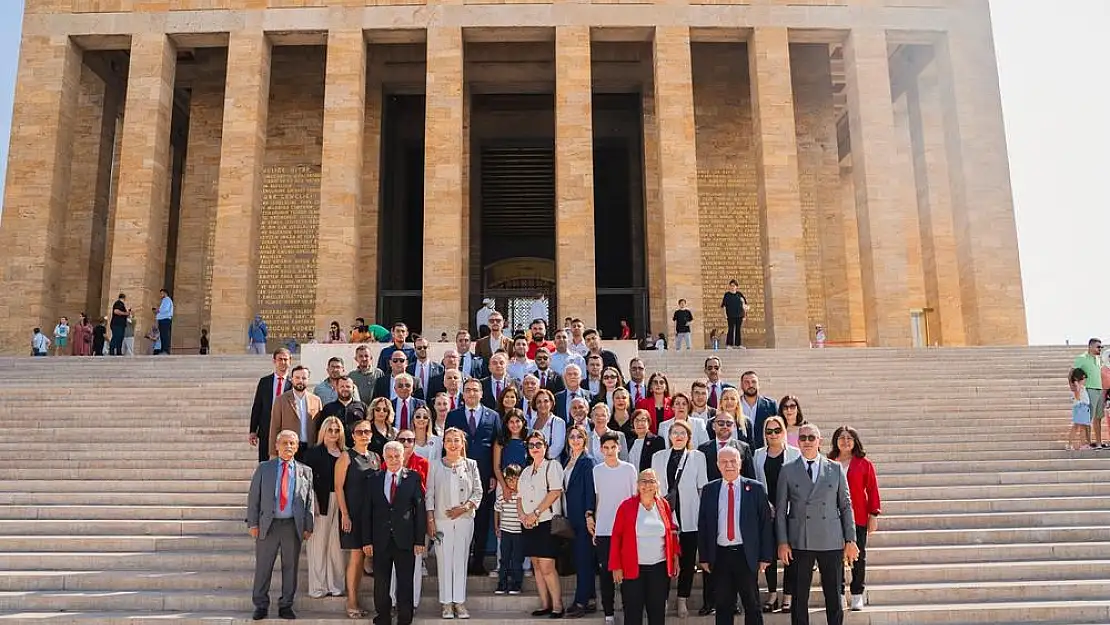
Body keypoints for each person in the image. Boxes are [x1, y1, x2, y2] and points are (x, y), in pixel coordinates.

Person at [776, 424, 858, 625]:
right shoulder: (787, 470)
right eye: (802, 438)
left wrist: (850, 539)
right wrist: (783, 542)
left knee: (833, 595)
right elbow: (780, 510)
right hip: (800, 540)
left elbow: (846, 506)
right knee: (799, 597)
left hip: (830, 539)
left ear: (819, 441)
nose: (806, 442)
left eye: (811, 438)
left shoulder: (835, 468)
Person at [697, 446, 774, 625]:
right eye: (724, 462)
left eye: (733, 461)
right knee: (723, 605)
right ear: (717, 465)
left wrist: (765, 556)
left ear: (740, 463)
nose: (729, 465)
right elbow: (703, 525)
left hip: (746, 555)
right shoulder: (710, 489)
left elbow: (765, 524)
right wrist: (705, 556)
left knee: (752, 604)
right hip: (720, 554)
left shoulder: (755, 488)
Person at [247, 430, 315, 621]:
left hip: (292, 525)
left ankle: (286, 605)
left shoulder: (305, 471)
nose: (288, 447)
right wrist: (253, 523)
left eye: (292, 443)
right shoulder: (264, 468)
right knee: (263, 567)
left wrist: (308, 526)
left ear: (297, 447)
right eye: (284, 443)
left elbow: (309, 500)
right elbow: (254, 498)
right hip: (268, 525)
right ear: (276, 446)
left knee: (290, 567)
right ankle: (260, 605)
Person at [362, 441, 426, 625]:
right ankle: (383, 617)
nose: (393, 460)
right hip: (380, 540)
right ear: (384, 458)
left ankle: (405, 619)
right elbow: (367, 511)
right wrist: (367, 540)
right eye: (389, 456)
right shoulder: (374, 478)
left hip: (405, 539)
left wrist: (419, 539)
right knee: (381, 584)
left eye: (397, 456)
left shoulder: (413, 478)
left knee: (405, 583)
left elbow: (419, 510)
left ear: (403, 456)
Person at [445, 377, 503, 575]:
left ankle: (477, 562)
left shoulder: (493, 416)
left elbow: (496, 446)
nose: (471, 393)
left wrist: (495, 474)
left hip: (485, 476)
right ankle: (459, 562)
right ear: (463, 393)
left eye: (475, 390)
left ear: (481, 393)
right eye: (468, 390)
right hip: (458, 475)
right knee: (460, 519)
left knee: (481, 520)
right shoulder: (453, 416)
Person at [650, 420, 708, 617]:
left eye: (683, 433)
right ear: (669, 435)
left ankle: (682, 599)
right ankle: (663, 599)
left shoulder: (697, 457)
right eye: (675, 432)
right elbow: (655, 489)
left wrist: (703, 517)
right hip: (665, 516)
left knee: (688, 561)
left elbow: (702, 488)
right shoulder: (658, 457)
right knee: (664, 560)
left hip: (690, 515)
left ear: (689, 437)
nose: (679, 436)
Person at [609, 468, 679, 625]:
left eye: (651, 481)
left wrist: (675, 557)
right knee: (633, 614)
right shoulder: (626, 506)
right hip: (633, 569)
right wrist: (616, 566)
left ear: (657, 485)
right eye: (643, 481)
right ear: (637, 484)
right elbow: (616, 537)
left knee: (657, 613)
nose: (647, 485)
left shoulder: (663, 505)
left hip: (659, 569)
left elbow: (671, 533)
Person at [426, 427, 484, 619]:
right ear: (444, 443)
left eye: (456, 440)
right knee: (444, 562)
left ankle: (459, 602)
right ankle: (446, 604)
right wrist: (431, 520)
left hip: (464, 519)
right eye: (449, 440)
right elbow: (430, 495)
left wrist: (465, 507)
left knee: (460, 560)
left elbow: (478, 491)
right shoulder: (434, 465)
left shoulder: (471, 464)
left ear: (462, 443)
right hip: (441, 521)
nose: (452, 444)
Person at [828, 426, 881, 611]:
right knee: (835, 557)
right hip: (832, 517)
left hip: (858, 516)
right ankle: (840, 593)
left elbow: (872, 489)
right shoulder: (828, 462)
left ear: (855, 441)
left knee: (859, 556)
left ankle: (857, 593)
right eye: (841, 438)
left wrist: (873, 514)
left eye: (849, 438)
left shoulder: (864, 463)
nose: (845, 441)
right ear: (836, 441)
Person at [586, 432, 638, 625]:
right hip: (605, 530)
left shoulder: (629, 469)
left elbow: (635, 500)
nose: (609, 451)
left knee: (627, 574)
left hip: (626, 530)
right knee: (606, 574)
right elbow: (597, 499)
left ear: (619, 448)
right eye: (605, 448)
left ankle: (628, 611)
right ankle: (608, 614)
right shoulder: (597, 471)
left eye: (613, 447)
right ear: (600, 449)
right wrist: (596, 525)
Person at [335, 419, 382, 619]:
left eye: (367, 432)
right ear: (352, 435)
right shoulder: (346, 457)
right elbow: (338, 488)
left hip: (372, 515)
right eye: (359, 432)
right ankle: (352, 601)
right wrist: (345, 514)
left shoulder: (376, 457)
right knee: (356, 556)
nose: (364, 435)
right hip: (353, 513)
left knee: (367, 555)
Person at [752, 415, 800, 613]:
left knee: (790, 555)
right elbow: (756, 482)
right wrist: (766, 504)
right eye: (769, 431)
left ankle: (788, 595)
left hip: (789, 511)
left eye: (777, 430)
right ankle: (772, 594)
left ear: (784, 432)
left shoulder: (795, 454)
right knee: (769, 555)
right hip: (767, 512)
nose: (773, 434)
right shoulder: (757, 455)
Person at [518, 430, 565, 618]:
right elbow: (519, 497)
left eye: (539, 444)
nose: (535, 448)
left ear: (545, 447)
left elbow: (555, 492)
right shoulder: (526, 471)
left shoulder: (552, 466)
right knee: (536, 564)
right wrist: (522, 515)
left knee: (547, 566)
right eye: (531, 445)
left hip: (546, 522)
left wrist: (535, 513)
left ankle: (557, 605)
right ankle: (545, 604)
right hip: (528, 523)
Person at [302, 416, 346, 598]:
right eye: (330, 430)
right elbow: (306, 481)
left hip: (341, 500)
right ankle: (318, 587)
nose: (334, 434)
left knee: (336, 547)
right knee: (318, 545)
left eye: (337, 430)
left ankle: (335, 585)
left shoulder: (345, 453)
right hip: (320, 500)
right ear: (323, 431)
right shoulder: (313, 453)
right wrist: (313, 503)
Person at [563, 424, 598, 617]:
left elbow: (590, 491)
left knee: (583, 560)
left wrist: (589, 514)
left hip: (583, 518)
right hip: (571, 517)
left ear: (585, 439)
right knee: (581, 559)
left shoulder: (587, 461)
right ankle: (591, 597)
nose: (575, 440)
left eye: (579, 437)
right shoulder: (569, 460)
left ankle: (581, 601)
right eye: (572, 437)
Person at [268, 366, 322, 460]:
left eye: (304, 378)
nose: (300, 380)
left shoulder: (316, 400)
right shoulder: (281, 400)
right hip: (289, 448)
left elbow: (319, 427)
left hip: (310, 448)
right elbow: (275, 427)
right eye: (297, 377)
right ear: (292, 379)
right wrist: (273, 452)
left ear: (308, 379)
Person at [250, 348, 293, 463]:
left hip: (287, 431)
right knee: (265, 463)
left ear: (290, 361)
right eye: (280, 359)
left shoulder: (294, 383)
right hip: (266, 430)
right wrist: (253, 430)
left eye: (285, 359)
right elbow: (257, 406)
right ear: (274, 361)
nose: (283, 362)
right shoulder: (264, 382)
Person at [494, 464, 525, 595]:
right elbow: (497, 510)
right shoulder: (503, 496)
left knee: (517, 559)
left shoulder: (523, 496)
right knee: (504, 559)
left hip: (519, 533)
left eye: (515, 479)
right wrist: (497, 526)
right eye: (509, 479)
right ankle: (502, 584)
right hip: (506, 532)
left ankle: (516, 584)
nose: (512, 482)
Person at [1074, 338, 1106, 448]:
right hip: (1089, 389)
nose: (1100, 349)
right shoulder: (1081, 358)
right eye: (1098, 347)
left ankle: (1098, 443)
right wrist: (1075, 389)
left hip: (1100, 390)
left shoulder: (1098, 359)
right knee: (1088, 418)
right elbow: (1072, 373)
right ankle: (1087, 443)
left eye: (1101, 347)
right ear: (1090, 347)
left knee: (1099, 417)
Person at [494, 408, 530, 494]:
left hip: (525, 484)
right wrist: (505, 487)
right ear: (506, 424)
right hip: (504, 483)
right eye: (511, 422)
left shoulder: (528, 440)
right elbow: (496, 467)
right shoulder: (500, 441)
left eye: (517, 421)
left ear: (523, 422)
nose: (515, 425)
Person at [739, 371, 777, 449]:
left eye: (753, 382)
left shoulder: (770, 405)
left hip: (764, 451)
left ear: (758, 385)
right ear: (741, 385)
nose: (750, 385)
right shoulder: (735, 405)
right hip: (740, 452)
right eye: (747, 382)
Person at [528, 389, 566, 462]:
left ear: (551, 403)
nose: (542, 404)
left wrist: (540, 459)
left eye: (546, 401)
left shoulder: (559, 422)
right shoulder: (532, 421)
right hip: (533, 464)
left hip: (550, 465)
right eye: (539, 402)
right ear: (535, 405)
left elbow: (557, 447)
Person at [1069, 368, 1094, 450]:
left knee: (1083, 427)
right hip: (1081, 407)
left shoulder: (1081, 386)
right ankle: (1070, 444)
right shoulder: (1077, 386)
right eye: (1083, 378)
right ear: (1077, 378)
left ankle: (1083, 444)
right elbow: (1077, 396)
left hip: (1084, 407)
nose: (1084, 379)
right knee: (1076, 426)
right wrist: (1077, 385)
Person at [720, 280, 748, 348]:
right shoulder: (727, 295)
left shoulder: (739, 294)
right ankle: (729, 344)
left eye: (734, 286)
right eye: (731, 286)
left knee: (738, 329)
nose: (733, 287)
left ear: (736, 287)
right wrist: (725, 315)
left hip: (739, 315)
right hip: (730, 315)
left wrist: (745, 315)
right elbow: (723, 306)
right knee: (731, 329)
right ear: (729, 286)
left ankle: (738, 344)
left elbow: (745, 305)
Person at [153, 288, 174, 354]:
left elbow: (165, 309)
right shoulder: (164, 300)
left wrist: (158, 310)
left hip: (165, 319)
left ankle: (165, 349)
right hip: (163, 319)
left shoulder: (167, 300)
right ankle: (163, 349)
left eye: (161, 293)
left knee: (164, 335)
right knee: (162, 335)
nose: (161, 295)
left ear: (165, 293)